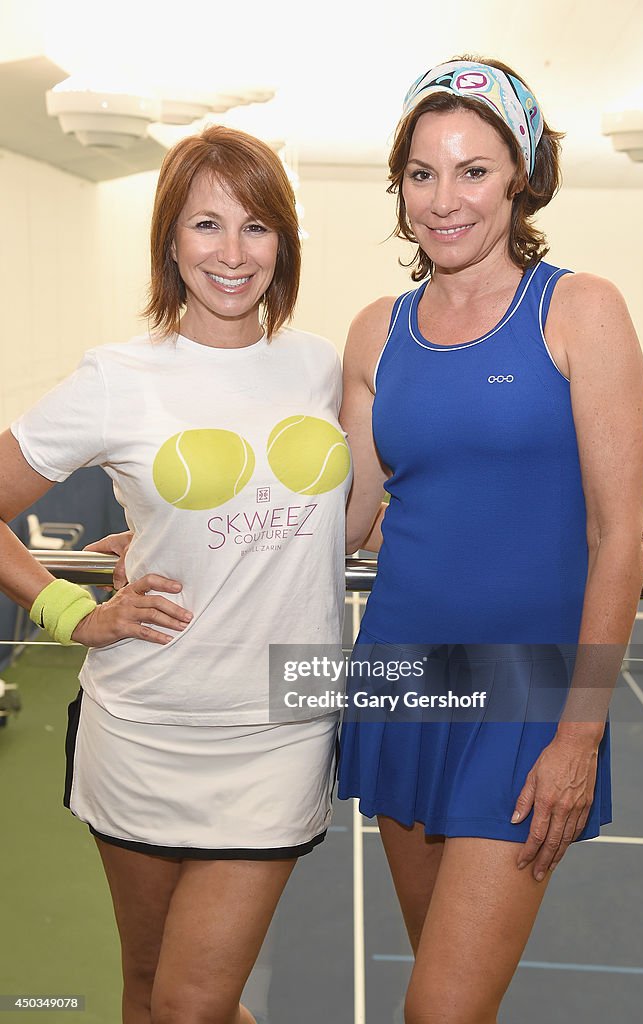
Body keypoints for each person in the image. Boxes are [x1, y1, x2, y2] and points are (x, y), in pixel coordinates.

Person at [0, 125, 351, 1024]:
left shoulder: (320, 366)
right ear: (169, 241)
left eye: (256, 227)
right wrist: (69, 610)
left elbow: (338, 518)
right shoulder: (117, 379)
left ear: (285, 241)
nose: (232, 254)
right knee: (150, 989)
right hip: (146, 723)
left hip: (280, 724)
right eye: (205, 226)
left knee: (195, 1002)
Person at [337, 57, 643, 1023]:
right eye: (422, 172)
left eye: (473, 169)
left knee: (439, 1008)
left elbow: (619, 536)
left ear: (520, 175)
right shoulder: (372, 331)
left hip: (527, 701)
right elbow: (344, 520)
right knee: (444, 989)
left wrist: (581, 731)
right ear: (398, 184)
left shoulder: (579, 309)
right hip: (399, 679)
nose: (444, 199)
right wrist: (175, 536)